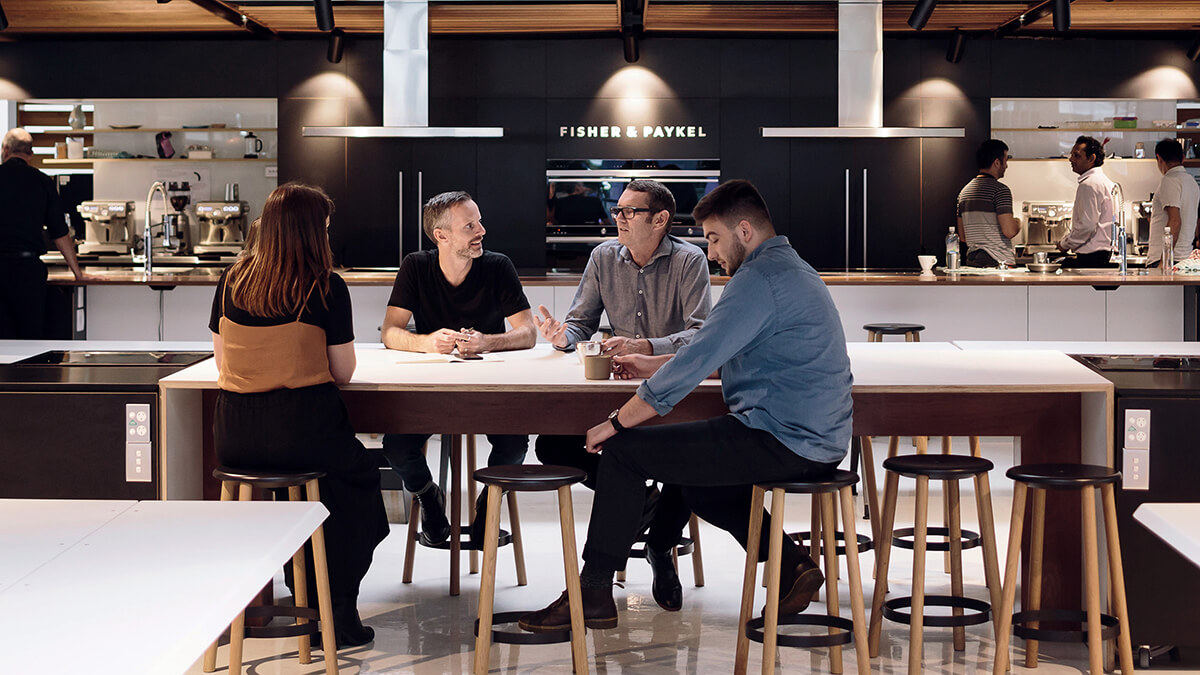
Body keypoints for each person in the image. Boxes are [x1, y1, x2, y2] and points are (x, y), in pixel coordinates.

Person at [519, 179, 853, 633]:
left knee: (623, 453)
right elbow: (727, 353)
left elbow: (697, 358)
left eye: (714, 238)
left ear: (744, 231)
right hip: (813, 437)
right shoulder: (791, 269)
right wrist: (652, 361)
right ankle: (792, 564)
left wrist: (617, 422)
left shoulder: (757, 279)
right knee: (697, 484)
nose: (712, 252)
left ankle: (592, 592)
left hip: (782, 437)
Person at [209, 182, 389, 648]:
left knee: (318, 491)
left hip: (236, 435)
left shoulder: (232, 280)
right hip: (302, 430)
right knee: (359, 483)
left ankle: (297, 586)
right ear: (312, 233)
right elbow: (343, 372)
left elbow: (223, 362)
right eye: (325, 228)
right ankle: (337, 610)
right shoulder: (326, 286)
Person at [533, 178, 711, 612]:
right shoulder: (602, 257)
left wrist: (647, 346)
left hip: (669, 386)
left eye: (630, 211)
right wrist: (561, 337)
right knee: (552, 444)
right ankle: (644, 506)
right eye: (618, 210)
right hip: (615, 385)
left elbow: (701, 334)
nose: (619, 218)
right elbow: (582, 323)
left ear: (661, 219)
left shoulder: (690, 262)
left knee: (690, 462)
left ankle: (660, 551)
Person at [380, 190, 537, 546]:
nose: (481, 230)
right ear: (442, 236)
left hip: (491, 389)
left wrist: (487, 341)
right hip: (429, 390)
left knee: (514, 445)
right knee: (397, 447)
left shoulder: (498, 266)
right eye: (470, 225)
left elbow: (528, 333)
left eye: (479, 221)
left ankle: (488, 504)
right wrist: (426, 341)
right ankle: (428, 499)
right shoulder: (416, 266)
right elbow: (390, 330)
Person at [0, 128, 86, 338]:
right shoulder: (42, 181)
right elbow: (60, 233)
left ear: (5, 150)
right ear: (30, 153)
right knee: (29, 337)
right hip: (28, 272)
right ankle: (28, 372)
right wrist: (78, 273)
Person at [957, 139, 1019, 268]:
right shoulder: (1000, 191)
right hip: (998, 261)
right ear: (997, 162)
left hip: (973, 261)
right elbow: (1009, 231)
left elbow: (962, 237)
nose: (1006, 166)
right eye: (1006, 160)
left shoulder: (964, 192)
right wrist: (1018, 223)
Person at [1058, 135, 1117, 268]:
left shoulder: (1089, 184)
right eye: (1071, 155)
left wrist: (1065, 244)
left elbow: (1087, 226)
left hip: (1092, 256)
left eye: (1077, 156)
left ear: (1091, 158)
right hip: (1105, 254)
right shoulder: (1106, 182)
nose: (1071, 159)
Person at [1147, 138, 1199, 268]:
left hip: (1167, 260)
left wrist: (1164, 261)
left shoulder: (1169, 181)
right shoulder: (1191, 182)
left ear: (1159, 158)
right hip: (1184, 259)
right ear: (1182, 158)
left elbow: (1175, 221)